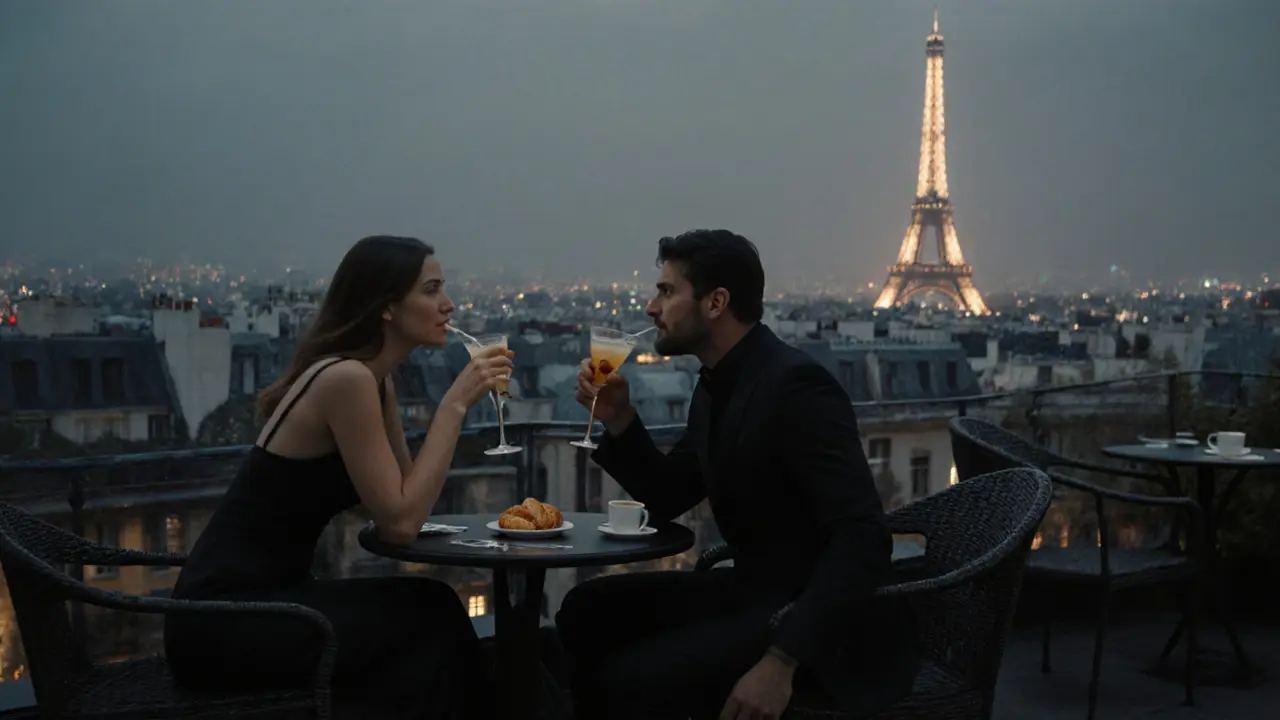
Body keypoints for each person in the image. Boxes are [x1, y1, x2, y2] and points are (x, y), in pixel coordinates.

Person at [555, 229, 918, 719]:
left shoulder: (796, 386)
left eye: (665, 291)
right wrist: (619, 419)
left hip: (814, 626)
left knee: (631, 680)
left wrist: (781, 660)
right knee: (585, 611)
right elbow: (667, 494)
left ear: (716, 302)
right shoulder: (715, 386)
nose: (649, 307)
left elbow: (864, 537)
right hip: (753, 596)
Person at [165, 235, 507, 719]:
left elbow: (405, 502)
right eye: (432, 290)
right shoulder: (346, 380)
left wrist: (444, 416)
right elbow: (403, 525)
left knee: (432, 608)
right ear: (387, 306)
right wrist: (453, 407)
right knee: (430, 615)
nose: (448, 304)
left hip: (256, 607)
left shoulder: (371, 379)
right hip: (226, 621)